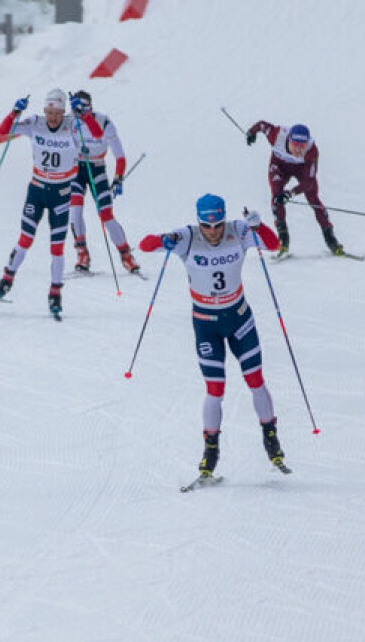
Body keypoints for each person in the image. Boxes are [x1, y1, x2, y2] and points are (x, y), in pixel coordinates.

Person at [139, 194, 288, 482]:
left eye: (218, 225)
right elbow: (145, 244)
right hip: (206, 323)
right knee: (214, 389)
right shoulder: (187, 236)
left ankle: (271, 439)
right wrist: (164, 240)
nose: (214, 231)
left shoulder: (238, 230)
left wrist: (258, 226)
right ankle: (211, 452)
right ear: (199, 222)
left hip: (239, 318)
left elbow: (273, 245)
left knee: (255, 380)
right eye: (207, 226)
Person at [0, 88, 103, 317]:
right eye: (50, 112)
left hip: (61, 193)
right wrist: (14, 112)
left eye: (58, 113)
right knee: (25, 240)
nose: (53, 118)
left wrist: (85, 114)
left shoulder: (73, 125)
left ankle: (55, 294)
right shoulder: (35, 123)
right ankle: (6, 280)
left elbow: (98, 135)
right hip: (37, 190)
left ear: (64, 111)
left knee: (57, 247)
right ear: (44, 110)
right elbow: (3, 131)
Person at [246, 120, 342, 257]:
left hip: (302, 169)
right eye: (295, 145)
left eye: (302, 146)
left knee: (313, 198)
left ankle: (331, 240)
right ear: (288, 140)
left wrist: (290, 194)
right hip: (279, 166)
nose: (298, 149)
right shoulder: (276, 135)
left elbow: (309, 181)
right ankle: (283, 242)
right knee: (276, 196)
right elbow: (262, 125)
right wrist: (251, 132)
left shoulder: (311, 151)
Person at [69, 90, 140, 275]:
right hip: (76, 170)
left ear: (91, 106)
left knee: (106, 215)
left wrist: (118, 178)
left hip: (97, 169)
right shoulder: (69, 121)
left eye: (84, 108)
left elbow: (120, 156)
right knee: (74, 212)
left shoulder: (103, 122)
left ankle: (126, 255)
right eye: (77, 108)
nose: (80, 112)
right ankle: (82, 254)